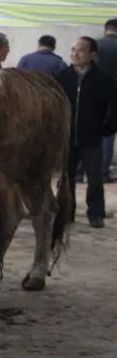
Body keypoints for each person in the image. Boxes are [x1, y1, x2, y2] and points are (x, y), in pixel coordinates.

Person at [56, 37, 117, 228]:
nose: (74, 53)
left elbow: (114, 107)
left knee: (95, 178)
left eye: (80, 50)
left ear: (92, 54)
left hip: (91, 137)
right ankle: (66, 212)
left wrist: (106, 129)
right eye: (73, 49)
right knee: (66, 177)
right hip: (67, 136)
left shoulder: (104, 79)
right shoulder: (63, 77)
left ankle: (96, 213)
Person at [98, 19, 117, 182]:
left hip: (92, 93)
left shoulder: (92, 45)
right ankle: (103, 172)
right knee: (108, 134)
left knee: (87, 131)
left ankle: (80, 171)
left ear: (105, 30)